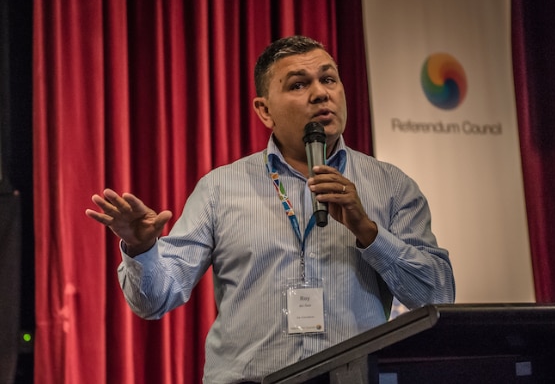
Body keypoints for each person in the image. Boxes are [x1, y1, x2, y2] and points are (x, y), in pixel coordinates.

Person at [86, 35, 455, 383]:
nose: (320, 93)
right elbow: (155, 299)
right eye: (298, 85)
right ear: (264, 110)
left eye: (329, 79)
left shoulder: (391, 186)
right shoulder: (220, 188)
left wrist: (369, 233)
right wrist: (142, 249)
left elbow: (437, 297)